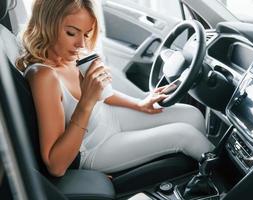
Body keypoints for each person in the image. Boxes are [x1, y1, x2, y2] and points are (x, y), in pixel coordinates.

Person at [16, 0, 213, 177]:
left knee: (192, 115)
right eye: (71, 33)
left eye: (86, 34)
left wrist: (140, 103)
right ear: (46, 25)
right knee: (185, 135)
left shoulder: (71, 55)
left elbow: (106, 96)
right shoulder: (44, 76)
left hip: (111, 118)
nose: (81, 44)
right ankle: (233, 184)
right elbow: (55, 165)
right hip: (95, 147)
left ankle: (201, 174)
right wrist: (87, 101)